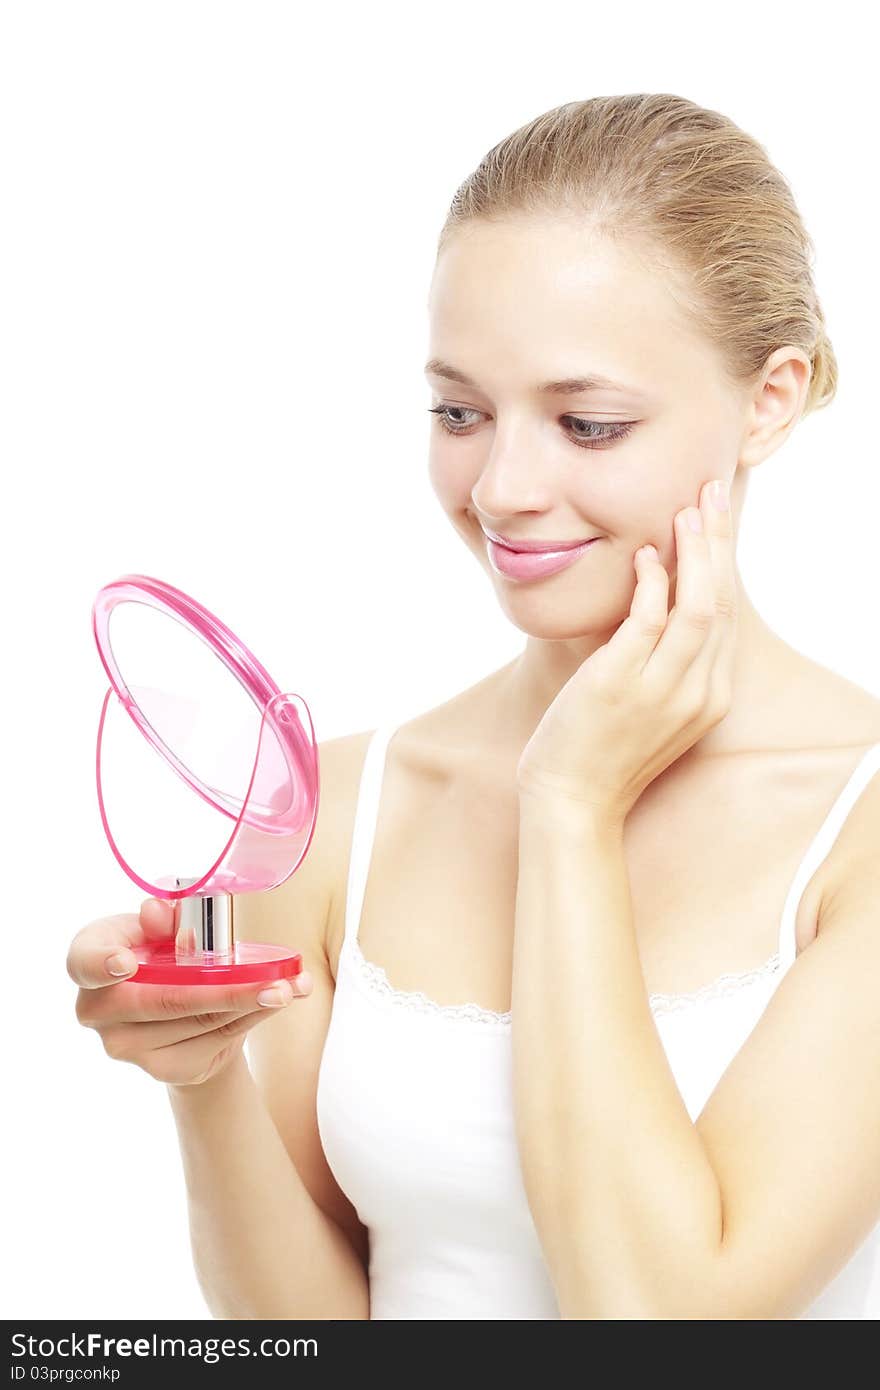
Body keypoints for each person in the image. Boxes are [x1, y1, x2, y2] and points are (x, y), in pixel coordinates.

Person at [69, 92, 880, 1320]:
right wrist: (204, 1072)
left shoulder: (857, 834)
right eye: (458, 412)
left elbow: (662, 1323)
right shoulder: (332, 811)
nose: (500, 487)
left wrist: (569, 804)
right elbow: (304, 1341)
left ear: (768, 398)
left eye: (587, 422)